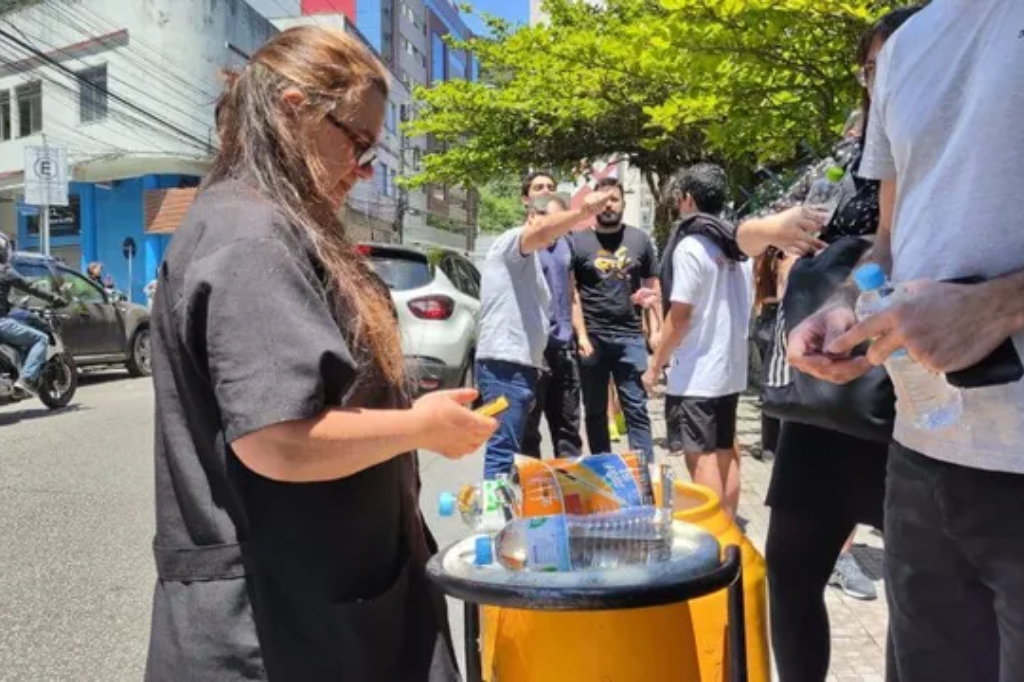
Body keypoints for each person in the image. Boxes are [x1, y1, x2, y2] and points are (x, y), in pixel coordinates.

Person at [146, 27, 498, 681]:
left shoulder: (272, 223)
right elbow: (277, 438)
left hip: (325, 606)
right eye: (358, 142)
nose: (364, 171)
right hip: (278, 629)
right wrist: (421, 428)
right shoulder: (249, 234)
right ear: (293, 108)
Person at [789, 3, 1024, 681]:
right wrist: (844, 308)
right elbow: (894, 238)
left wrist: (998, 305)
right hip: (923, 457)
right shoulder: (907, 44)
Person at [737, 9, 922, 680]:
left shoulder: (948, 143)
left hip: (914, 393)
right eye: (872, 69)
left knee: (919, 589)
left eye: (898, 62)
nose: (884, 80)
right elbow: (743, 235)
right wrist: (775, 227)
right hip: (822, 395)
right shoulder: (843, 154)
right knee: (789, 569)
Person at [477, 180, 612, 479]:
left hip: (525, 363)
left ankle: (539, 509)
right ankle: (497, 519)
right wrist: (581, 212)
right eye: (554, 223)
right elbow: (541, 231)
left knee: (540, 440)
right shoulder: (512, 243)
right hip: (504, 364)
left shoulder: (540, 266)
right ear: (531, 217)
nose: (555, 233)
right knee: (506, 452)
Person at [643, 164, 753, 520]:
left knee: (701, 455)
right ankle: (730, 529)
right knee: (725, 449)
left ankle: (714, 534)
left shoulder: (691, 246)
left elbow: (681, 316)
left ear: (688, 199)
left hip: (699, 371)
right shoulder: (738, 247)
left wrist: (656, 362)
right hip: (731, 367)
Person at [572, 177, 662, 464]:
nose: (609, 205)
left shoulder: (639, 239)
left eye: (614, 199)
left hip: (630, 337)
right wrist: (582, 336)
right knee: (596, 411)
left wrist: (655, 326)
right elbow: (571, 292)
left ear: (623, 203)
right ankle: (603, 472)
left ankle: (645, 474)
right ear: (593, 204)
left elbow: (652, 283)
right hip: (593, 337)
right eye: (603, 200)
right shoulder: (578, 242)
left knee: (636, 408)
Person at [521, 191, 586, 460]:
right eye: (556, 219)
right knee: (528, 431)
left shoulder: (565, 245)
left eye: (564, 219)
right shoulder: (523, 246)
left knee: (568, 430)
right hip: (533, 352)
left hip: (563, 348)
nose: (560, 226)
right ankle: (532, 494)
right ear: (533, 216)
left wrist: (580, 335)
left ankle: (569, 493)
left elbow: (571, 294)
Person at [0, 233, 65, 396]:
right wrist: (54, 297)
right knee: (40, 339)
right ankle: (26, 379)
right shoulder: (5, 271)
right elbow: (30, 287)